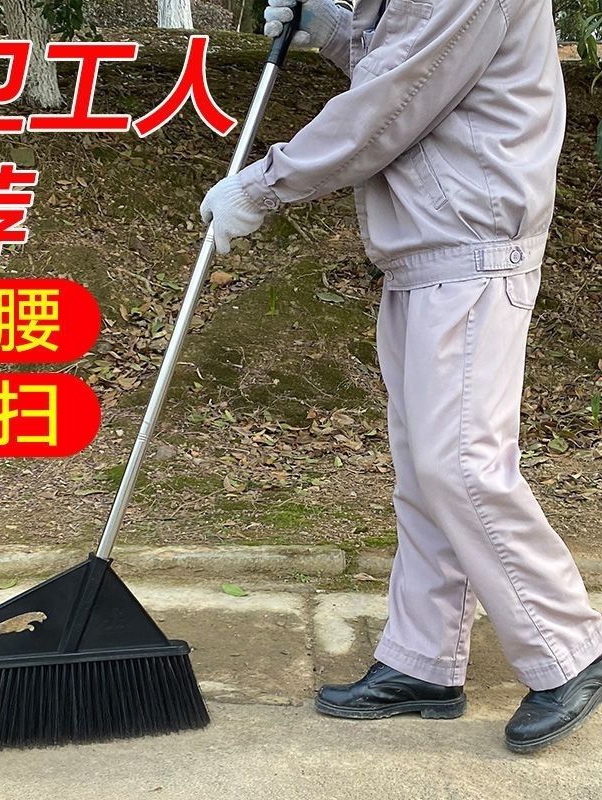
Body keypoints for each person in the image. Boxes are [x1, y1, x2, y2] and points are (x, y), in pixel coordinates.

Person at [200, 0, 602, 753]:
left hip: (472, 246)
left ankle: (570, 648)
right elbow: (403, 61)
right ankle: (424, 661)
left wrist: (263, 185)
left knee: (461, 466)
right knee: (424, 472)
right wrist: (330, 25)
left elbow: (396, 98)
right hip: (428, 247)